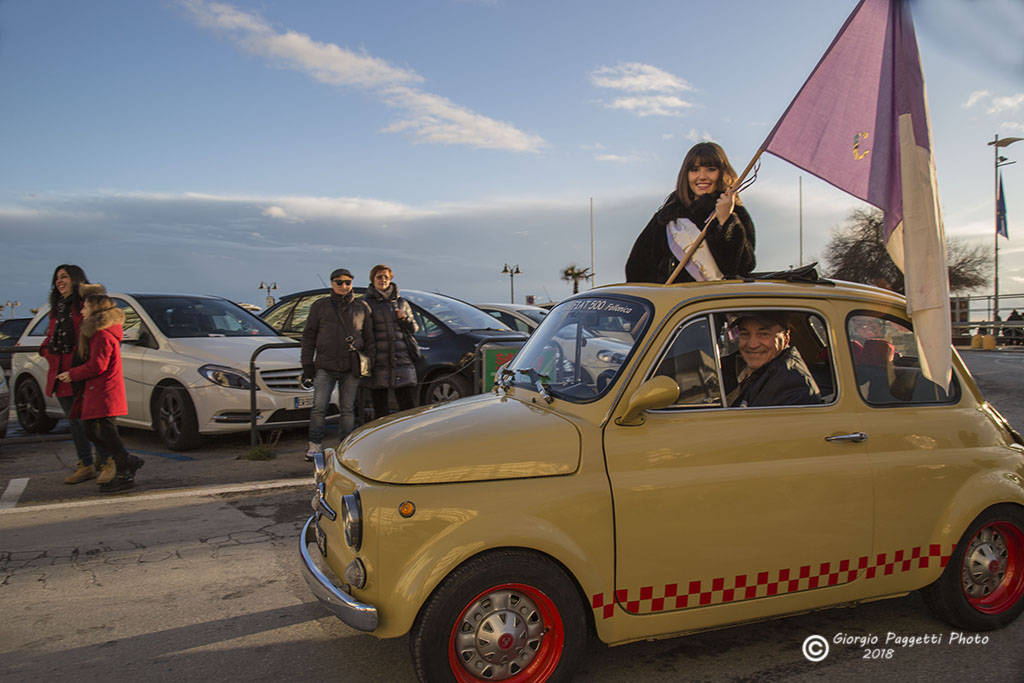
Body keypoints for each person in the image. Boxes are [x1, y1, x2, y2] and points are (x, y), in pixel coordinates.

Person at [626, 141, 755, 284]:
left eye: (711, 169)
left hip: (716, 303)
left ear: (722, 172)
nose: (702, 176)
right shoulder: (668, 217)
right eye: (694, 170)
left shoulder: (736, 213)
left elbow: (743, 267)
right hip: (676, 303)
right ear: (686, 174)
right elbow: (636, 268)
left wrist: (726, 222)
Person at [56, 289, 143, 493]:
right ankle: (125, 462)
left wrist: (73, 374)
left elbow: (98, 365)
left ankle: (125, 464)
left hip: (104, 390)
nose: (82, 310)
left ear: (95, 310)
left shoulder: (102, 335)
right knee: (96, 429)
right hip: (99, 389)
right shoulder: (98, 333)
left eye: (86, 307)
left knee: (100, 430)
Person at [38, 265, 112, 484]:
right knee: (73, 422)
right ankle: (85, 464)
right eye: (57, 278)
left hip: (81, 371)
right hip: (60, 371)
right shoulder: (56, 308)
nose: (59, 281)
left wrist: (81, 364)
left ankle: (107, 462)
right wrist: (46, 351)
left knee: (90, 422)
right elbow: (50, 335)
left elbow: (96, 334)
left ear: (76, 280)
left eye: (64, 277)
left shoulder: (85, 305)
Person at [300, 268, 374, 461]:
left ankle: (344, 447)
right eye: (339, 282)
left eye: (347, 282)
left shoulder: (361, 307)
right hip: (325, 364)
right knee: (319, 407)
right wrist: (307, 363)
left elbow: (369, 337)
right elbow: (308, 336)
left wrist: (367, 360)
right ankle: (314, 446)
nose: (344, 286)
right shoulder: (320, 306)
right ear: (332, 283)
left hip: (351, 365)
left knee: (348, 409)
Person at [724, 312, 821, 407]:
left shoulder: (793, 389)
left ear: (786, 338)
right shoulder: (764, 371)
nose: (752, 344)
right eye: (745, 334)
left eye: (764, 334)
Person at [364, 264, 419, 418]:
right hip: (378, 361)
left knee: (407, 407)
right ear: (373, 280)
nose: (383, 280)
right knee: (380, 408)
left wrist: (404, 318)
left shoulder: (402, 303)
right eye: (379, 277)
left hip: (401, 360)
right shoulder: (366, 303)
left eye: (386, 277)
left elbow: (414, 328)